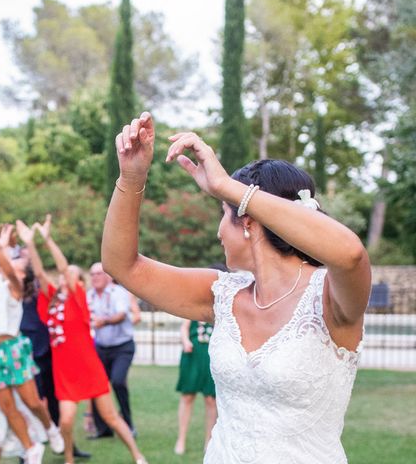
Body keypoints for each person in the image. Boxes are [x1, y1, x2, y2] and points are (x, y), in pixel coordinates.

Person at [102, 112, 371, 463]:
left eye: (222, 214)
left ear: (247, 221)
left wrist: (226, 187)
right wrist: (132, 175)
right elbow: (121, 266)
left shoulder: (330, 296)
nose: (218, 232)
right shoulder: (222, 294)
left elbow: (351, 255)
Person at [17, 216, 148, 464]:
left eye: (73, 278)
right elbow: (41, 274)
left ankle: (137, 455)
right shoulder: (50, 302)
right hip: (64, 371)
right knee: (65, 420)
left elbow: (63, 269)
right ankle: (68, 458)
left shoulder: (79, 301)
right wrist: (30, 244)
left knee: (110, 417)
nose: (66, 280)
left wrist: (47, 239)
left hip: (88, 367)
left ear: (78, 283)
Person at [0, 204, 63, 464]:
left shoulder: (14, 288)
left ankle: (50, 428)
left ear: (24, 278)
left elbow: (8, 270)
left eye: (19, 268)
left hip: (11, 349)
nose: (14, 269)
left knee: (33, 402)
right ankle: (31, 447)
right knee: (7, 406)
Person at [18, 250, 92, 461]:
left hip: (50, 352)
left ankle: (69, 445)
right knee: (31, 402)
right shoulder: (17, 286)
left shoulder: (51, 291)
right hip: (28, 351)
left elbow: (43, 274)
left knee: (56, 402)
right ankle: (28, 448)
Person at [87, 262, 136, 439]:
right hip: (101, 347)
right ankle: (103, 429)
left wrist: (104, 321)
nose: (95, 278)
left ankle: (128, 424)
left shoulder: (118, 293)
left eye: (99, 274)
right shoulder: (89, 296)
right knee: (96, 385)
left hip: (122, 347)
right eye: (92, 274)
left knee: (118, 381)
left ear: (108, 276)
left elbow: (121, 315)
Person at [173, 319, 217, 455]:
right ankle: (181, 440)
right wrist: (185, 341)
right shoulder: (194, 303)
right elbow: (184, 327)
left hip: (211, 354)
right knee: (187, 396)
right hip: (193, 353)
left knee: (211, 399)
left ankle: (209, 441)